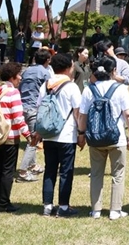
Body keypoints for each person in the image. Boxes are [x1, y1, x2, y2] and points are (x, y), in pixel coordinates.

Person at [78, 57, 129, 220]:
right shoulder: (120, 88)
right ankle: (115, 210)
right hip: (116, 137)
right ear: (114, 71)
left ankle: (96, 210)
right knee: (118, 174)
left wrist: (81, 135)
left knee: (96, 173)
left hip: (95, 138)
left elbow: (82, 115)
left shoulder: (89, 89)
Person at [32, 53, 83, 217]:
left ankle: (47, 205)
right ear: (69, 67)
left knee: (50, 170)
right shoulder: (72, 86)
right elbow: (78, 113)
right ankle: (63, 206)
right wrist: (82, 133)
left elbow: (39, 109)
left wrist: (38, 132)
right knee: (66, 171)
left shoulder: (46, 85)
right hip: (67, 135)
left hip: (48, 134)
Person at [0, 62, 32, 213]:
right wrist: (28, 135)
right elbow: (18, 118)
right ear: (13, 77)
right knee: (7, 171)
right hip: (9, 136)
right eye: (19, 75)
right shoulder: (13, 93)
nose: (20, 78)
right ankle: (4, 203)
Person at [17, 49, 51, 182]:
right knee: (34, 141)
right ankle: (23, 173)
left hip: (20, 107)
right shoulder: (45, 73)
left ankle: (32, 165)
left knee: (30, 137)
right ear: (47, 60)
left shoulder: (26, 71)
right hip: (33, 109)